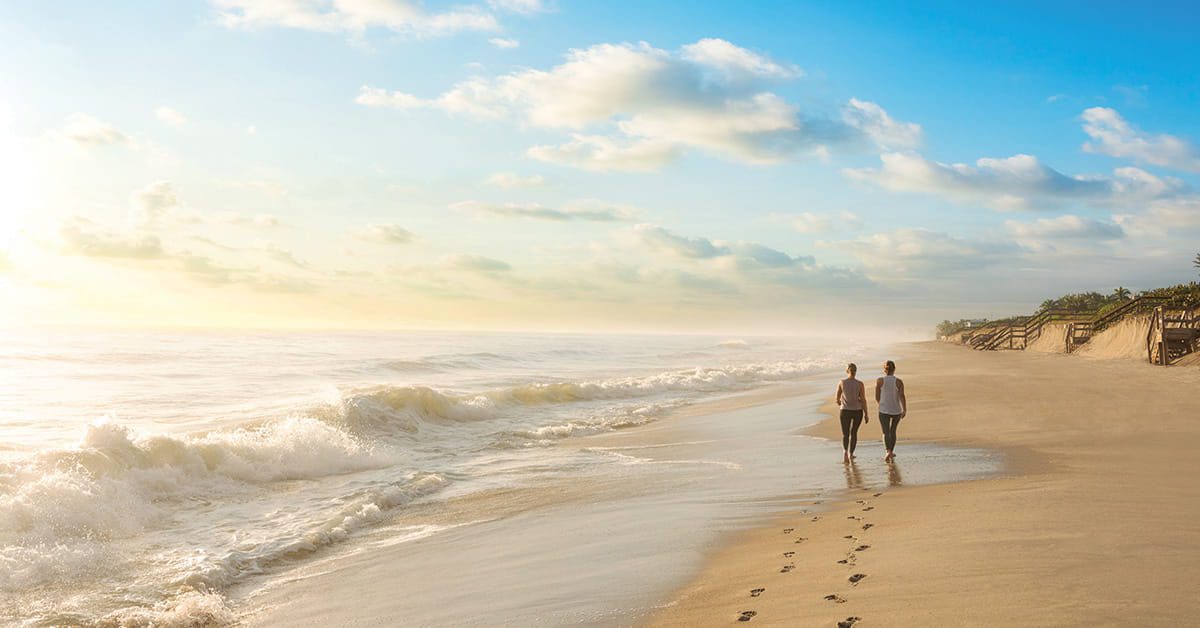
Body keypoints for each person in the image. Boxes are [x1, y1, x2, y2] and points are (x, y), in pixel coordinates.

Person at [835, 363, 869, 463]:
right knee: (853, 433)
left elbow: (837, 398)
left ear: (847, 371)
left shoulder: (842, 382)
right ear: (855, 371)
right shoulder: (860, 384)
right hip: (857, 411)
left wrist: (840, 402)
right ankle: (851, 454)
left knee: (845, 434)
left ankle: (845, 452)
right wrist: (866, 413)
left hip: (844, 411)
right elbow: (863, 399)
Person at [875, 360, 907, 462]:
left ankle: (887, 451)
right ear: (894, 369)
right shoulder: (899, 382)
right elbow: (902, 396)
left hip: (883, 410)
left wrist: (882, 404)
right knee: (893, 431)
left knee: (885, 432)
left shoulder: (880, 381)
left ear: (884, 370)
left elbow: (877, 397)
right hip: (896, 410)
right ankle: (891, 451)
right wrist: (904, 409)